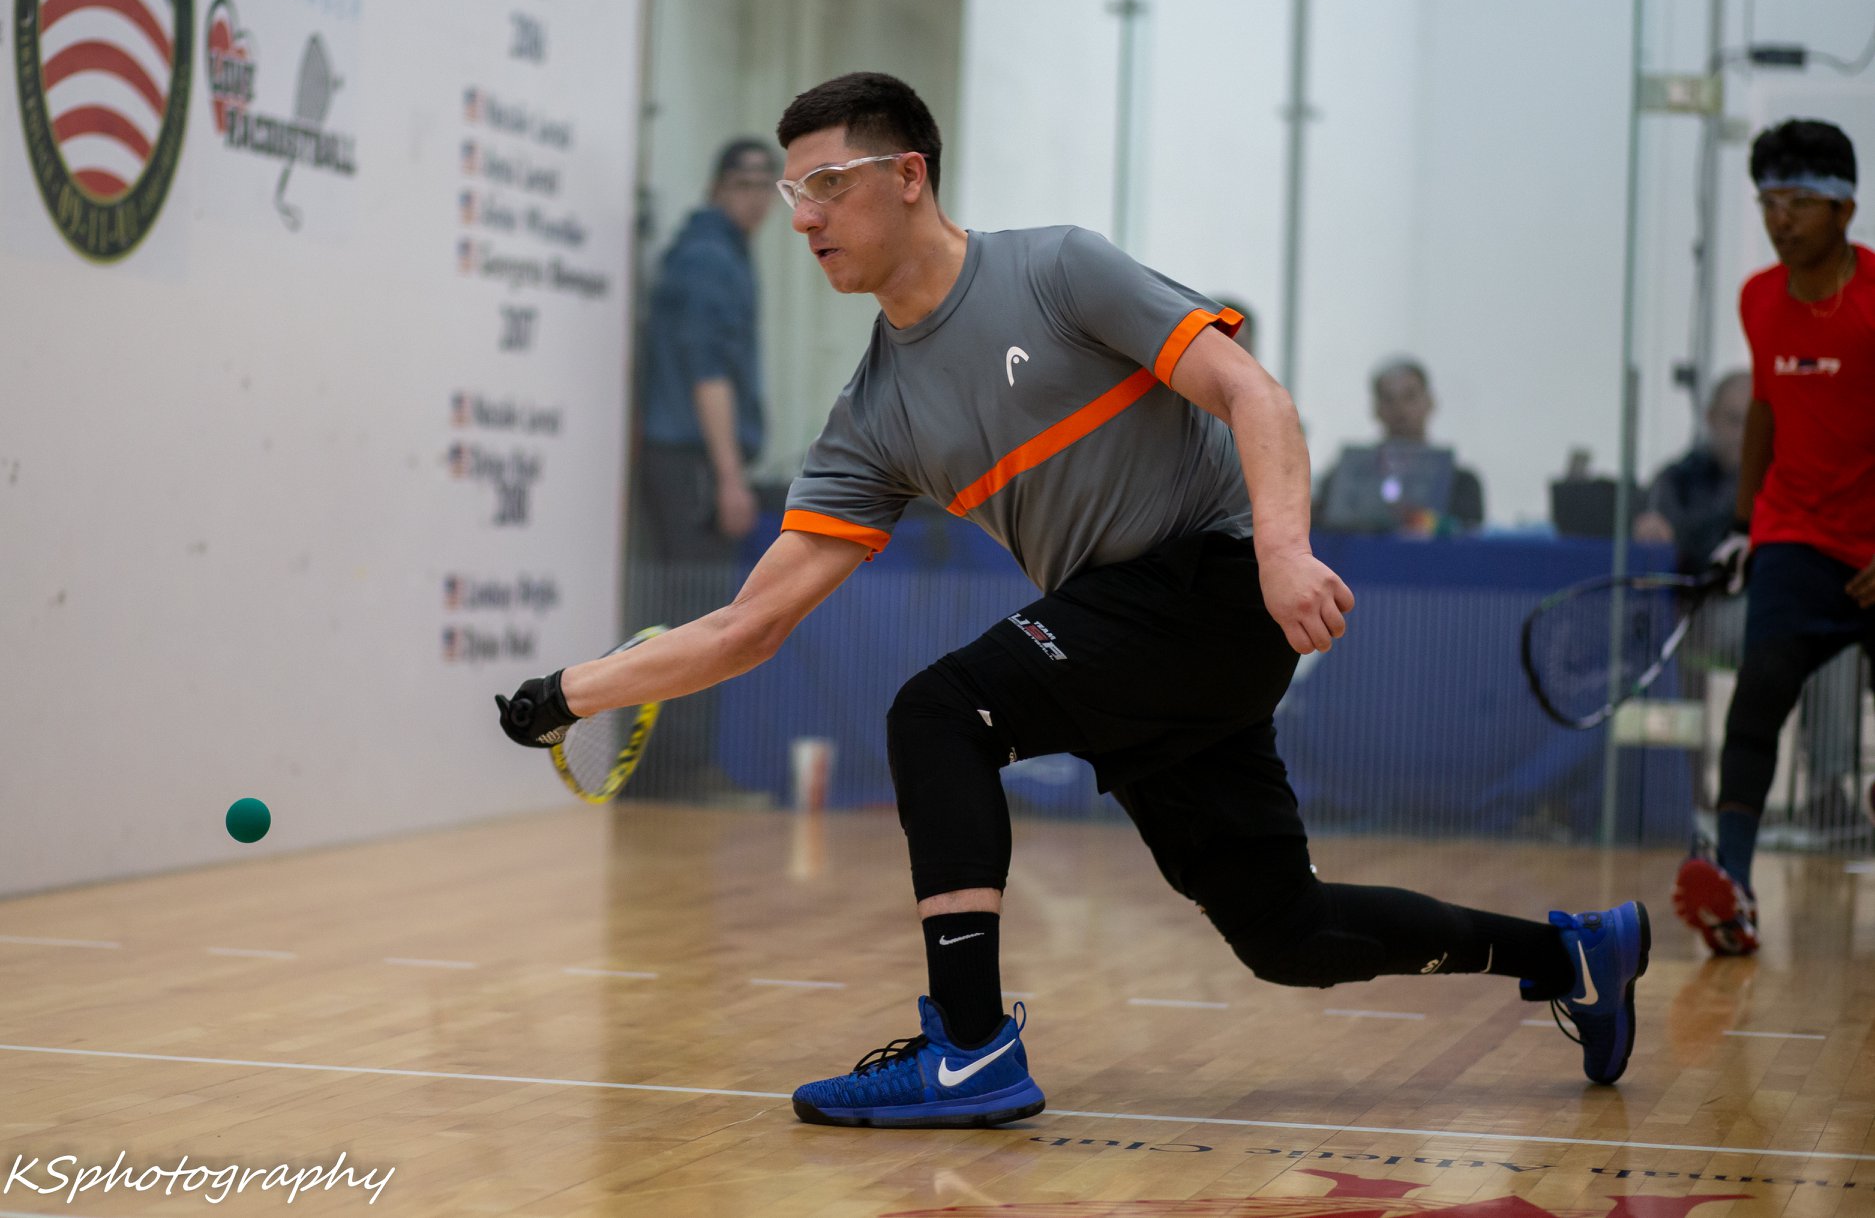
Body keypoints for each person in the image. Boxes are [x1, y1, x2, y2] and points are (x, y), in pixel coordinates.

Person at [497, 72, 1649, 1127]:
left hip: (1213, 581)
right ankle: (1574, 955)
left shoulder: (1058, 273)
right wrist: (568, 691)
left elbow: (1254, 395)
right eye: (797, 194)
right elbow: (748, 623)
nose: (804, 218)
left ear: (910, 176)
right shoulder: (873, 417)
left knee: (939, 712)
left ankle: (969, 1045)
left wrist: (1284, 552)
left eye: (828, 185)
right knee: (1287, 932)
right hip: (1139, 636)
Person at [1672, 119, 1875, 958]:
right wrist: (1740, 522)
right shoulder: (1758, 297)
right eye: (1765, 202)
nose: (1777, 219)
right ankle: (1735, 893)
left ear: (1843, 209)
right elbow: (1763, 407)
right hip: (1795, 534)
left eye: (1796, 201)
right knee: (1758, 696)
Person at [630, 138, 780, 800]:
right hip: (692, 463)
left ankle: (677, 770)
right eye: (743, 182)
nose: (756, 197)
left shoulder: (723, 253)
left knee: (694, 612)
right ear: (717, 186)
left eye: (767, 184)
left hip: (692, 460)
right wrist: (728, 476)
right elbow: (706, 371)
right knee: (696, 619)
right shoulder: (707, 259)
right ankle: (678, 772)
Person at [1314, 358, 1485, 535]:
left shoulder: (1461, 485)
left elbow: (1469, 536)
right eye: (1389, 399)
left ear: (1429, 403)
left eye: (1410, 397)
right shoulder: (1340, 482)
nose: (1400, 409)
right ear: (1376, 409)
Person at [1633, 371, 1752, 574]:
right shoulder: (1679, 479)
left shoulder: (1775, 486)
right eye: (1734, 420)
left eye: (1751, 423)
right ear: (1711, 417)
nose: (1742, 434)